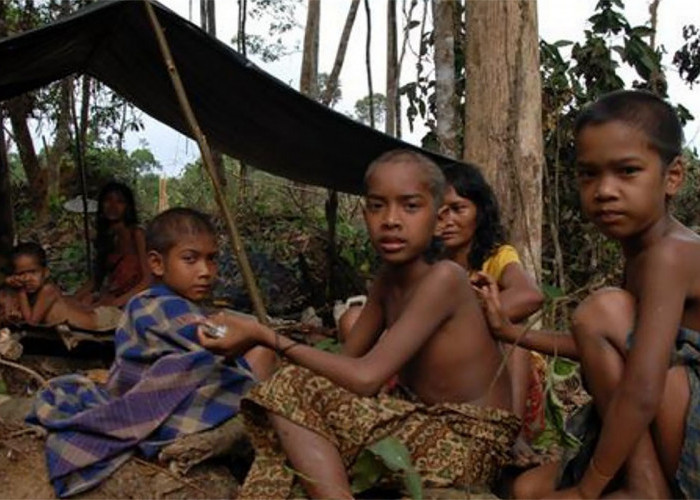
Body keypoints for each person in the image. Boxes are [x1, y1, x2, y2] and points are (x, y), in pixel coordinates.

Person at [199, 149, 520, 499]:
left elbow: (365, 378)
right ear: (365, 213)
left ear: (437, 217)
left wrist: (264, 335)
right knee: (289, 403)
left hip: (471, 441)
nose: (391, 220)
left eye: (410, 206)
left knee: (287, 388)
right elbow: (346, 370)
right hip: (421, 422)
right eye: (378, 206)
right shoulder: (387, 281)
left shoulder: (445, 278)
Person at [477, 90, 700, 499]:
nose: (604, 190)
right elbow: (604, 346)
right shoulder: (646, 252)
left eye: (627, 171)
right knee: (526, 490)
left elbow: (644, 385)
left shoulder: (671, 255)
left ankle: (643, 487)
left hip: (680, 414)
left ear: (672, 177)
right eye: (589, 174)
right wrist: (512, 333)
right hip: (661, 420)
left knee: (602, 310)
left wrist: (588, 490)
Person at [28, 207, 275, 497]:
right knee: (258, 355)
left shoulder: (185, 305)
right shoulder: (149, 303)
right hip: (157, 399)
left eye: (211, 259)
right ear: (157, 264)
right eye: (190, 259)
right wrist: (252, 333)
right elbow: (203, 340)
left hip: (182, 391)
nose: (205, 271)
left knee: (258, 355)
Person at [438, 162, 544, 451]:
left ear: (479, 213)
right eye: (439, 212)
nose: (447, 220)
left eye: (458, 209)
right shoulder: (428, 265)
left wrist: (465, 317)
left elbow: (529, 296)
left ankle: (513, 435)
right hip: (449, 364)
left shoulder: (497, 257)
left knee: (515, 334)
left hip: (502, 373)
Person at [4, 242, 121, 330]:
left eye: (33, 272)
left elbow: (32, 323)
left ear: (45, 273)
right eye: (21, 274)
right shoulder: (33, 294)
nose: (27, 278)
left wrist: (21, 290)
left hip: (101, 322)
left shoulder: (47, 290)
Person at [74, 181, 150, 307]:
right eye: (108, 200)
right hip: (110, 297)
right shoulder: (106, 237)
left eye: (120, 202)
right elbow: (96, 280)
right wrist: (72, 299)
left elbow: (148, 279)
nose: (113, 206)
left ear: (128, 207)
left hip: (135, 299)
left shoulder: (137, 234)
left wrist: (117, 302)